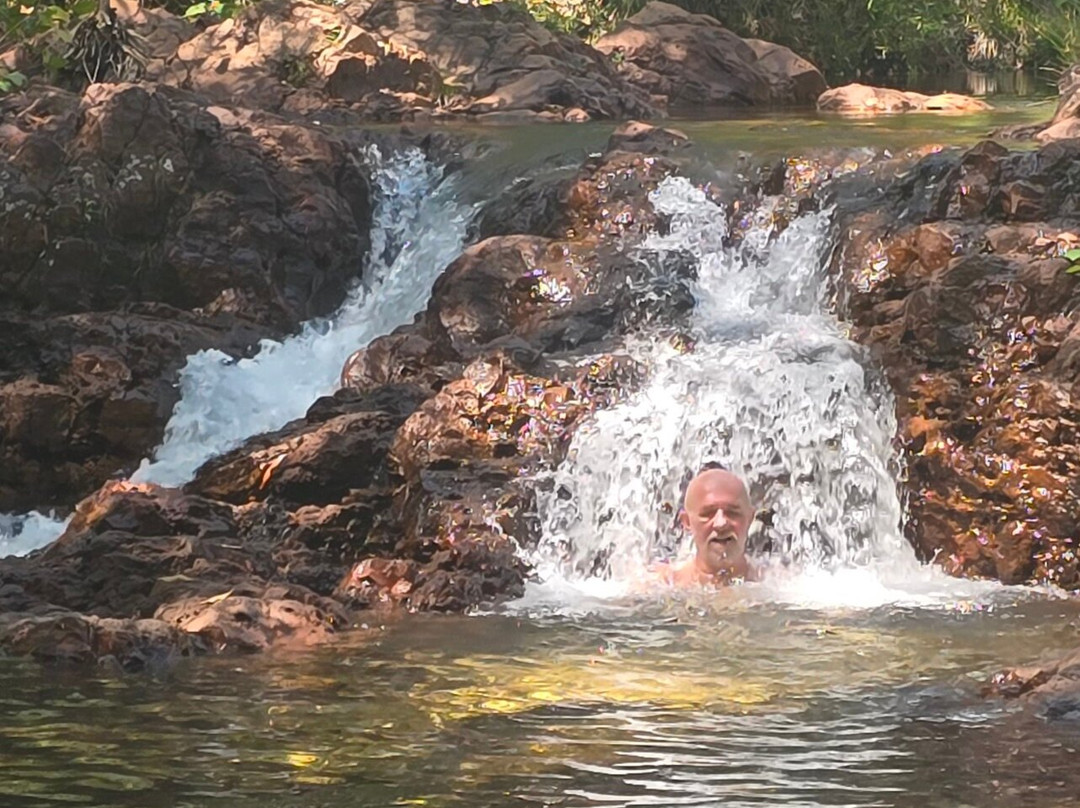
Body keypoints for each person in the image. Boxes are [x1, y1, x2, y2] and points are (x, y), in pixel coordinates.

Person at [655, 466, 757, 587]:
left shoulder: (777, 582)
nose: (721, 523)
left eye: (732, 513)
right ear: (687, 522)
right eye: (708, 514)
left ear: (750, 518)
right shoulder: (664, 583)